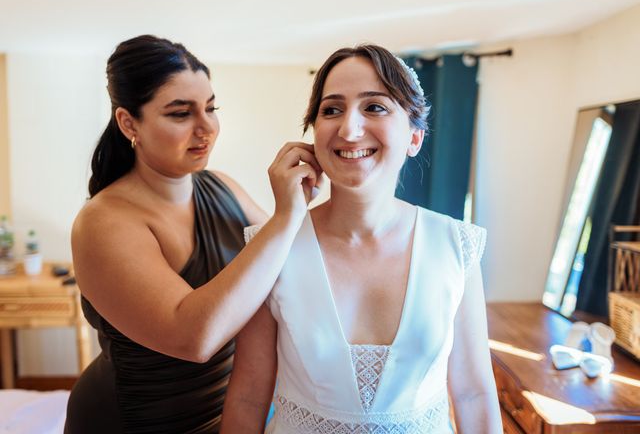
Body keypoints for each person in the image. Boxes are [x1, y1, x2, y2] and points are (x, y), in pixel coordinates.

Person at [220, 45, 502, 433]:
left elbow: (473, 393)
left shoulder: (457, 245)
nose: (349, 129)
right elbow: (249, 395)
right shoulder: (271, 248)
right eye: (331, 110)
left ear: (414, 138)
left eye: (375, 107)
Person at [64, 35, 321, 434]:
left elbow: (293, 263)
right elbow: (195, 338)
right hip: (137, 423)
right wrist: (286, 216)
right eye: (181, 114)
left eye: (211, 108)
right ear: (128, 122)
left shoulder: (222, 188)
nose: (206, 128)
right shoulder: (103, 222)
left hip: (227, 414)